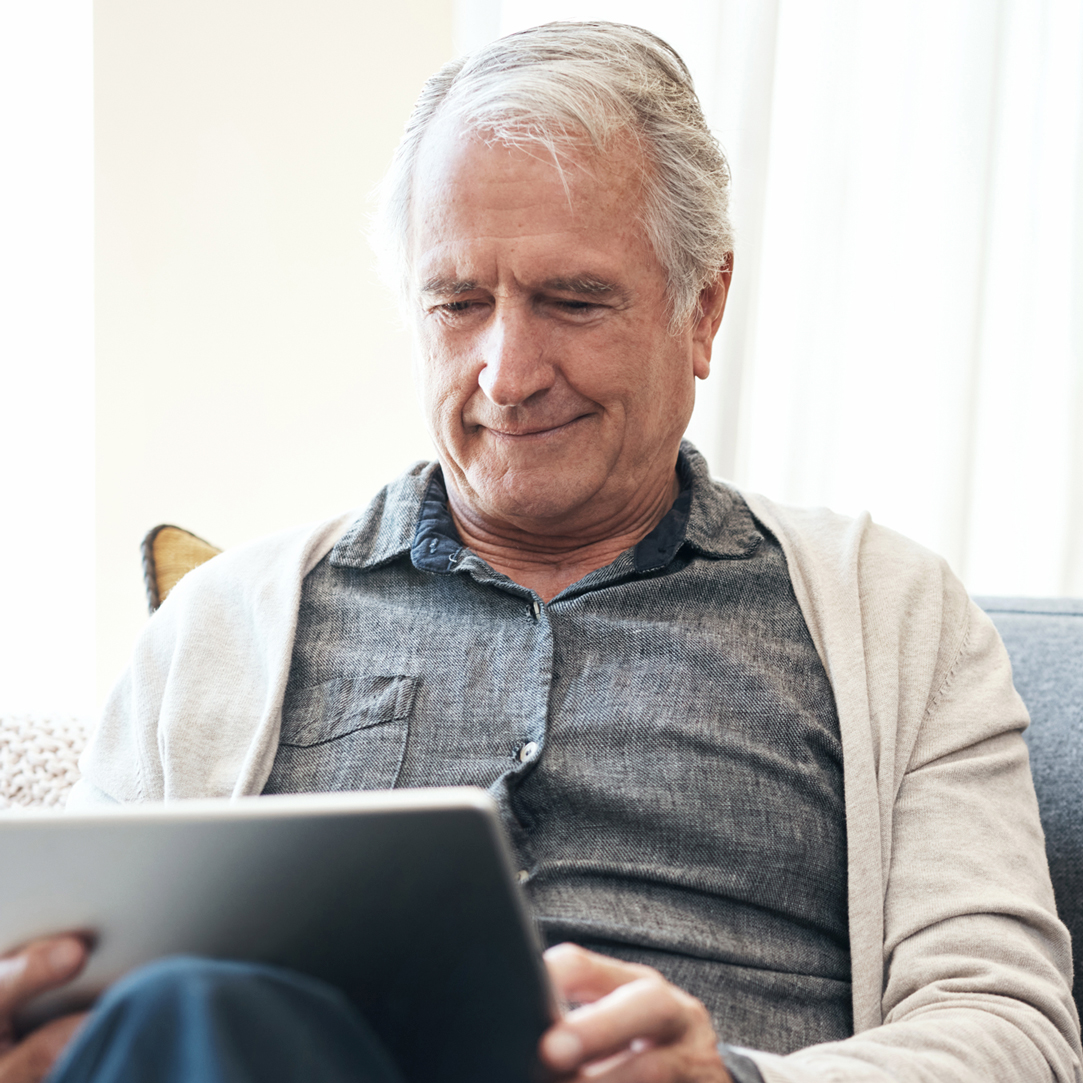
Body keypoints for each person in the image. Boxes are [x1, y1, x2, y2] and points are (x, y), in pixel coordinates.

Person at [2, 20, 1079, 1083]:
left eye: (573, 303)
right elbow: (71, 984)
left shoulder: (892, 617)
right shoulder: (224, 627)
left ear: (702, 309)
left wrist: (733, 1081)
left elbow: (1013, 1032)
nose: (507, 373)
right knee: (190, 1008)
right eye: (459, 303)